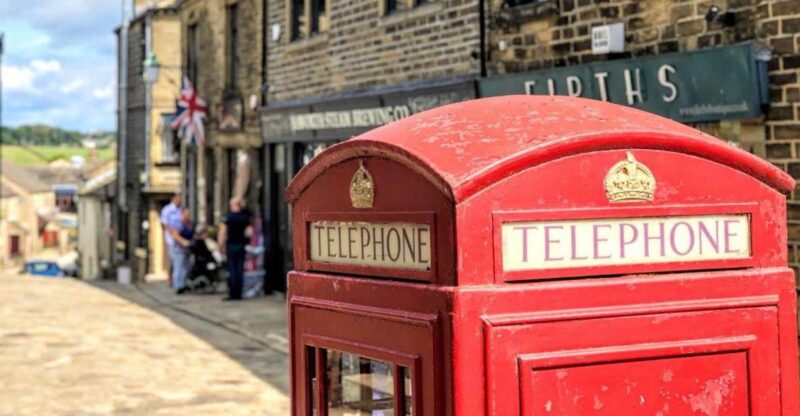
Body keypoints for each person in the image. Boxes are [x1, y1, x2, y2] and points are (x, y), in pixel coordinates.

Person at [218, 197, 252, 301]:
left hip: (231, 245)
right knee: (240, 269)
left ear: (232, 205)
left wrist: (220, 245)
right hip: (241, 245)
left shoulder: (228, 217)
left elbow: (222, 232)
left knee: (232, 270)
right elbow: (249, 232)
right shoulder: (245, 217)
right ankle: (239, 293)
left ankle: (233, 293)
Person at [167, 207, 193, 294]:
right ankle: (178, 286)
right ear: (182, 213)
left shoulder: (189, 223)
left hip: (188, 249)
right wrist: (183, 242)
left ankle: (184, 284)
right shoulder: (178, 223)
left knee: (187, 267)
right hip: (178, 249)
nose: (188, 215)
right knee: (179, 267)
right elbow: (175, 234)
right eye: (186, 213)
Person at [160, 193, 182, 288]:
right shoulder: (167, 209)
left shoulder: (180, 210)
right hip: (171, 238)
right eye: (177, 199)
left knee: (178, 260)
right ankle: (170, 279)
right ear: (173, 199)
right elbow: (164, 223)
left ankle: (177, 279)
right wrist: (171, 233)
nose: (179, 200)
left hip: (180, 237)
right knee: (171, 260)